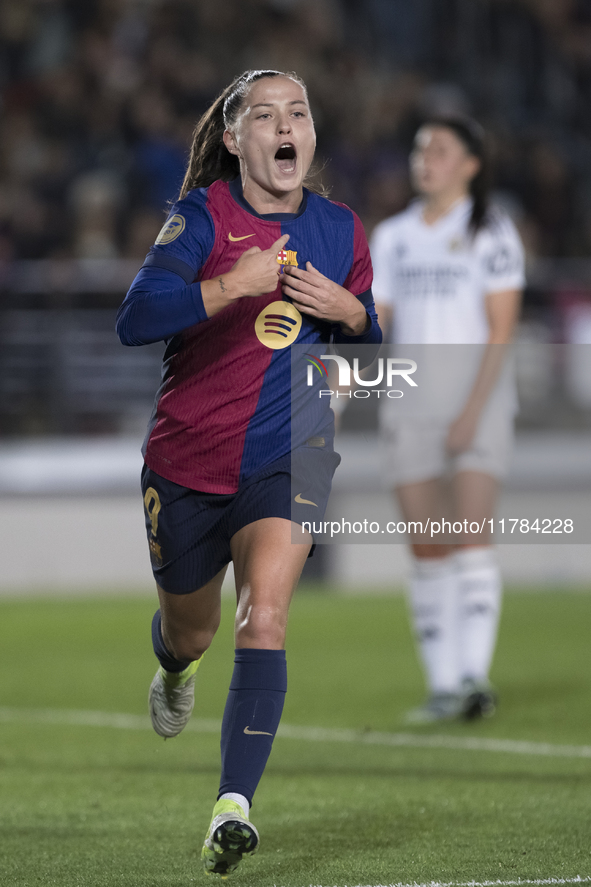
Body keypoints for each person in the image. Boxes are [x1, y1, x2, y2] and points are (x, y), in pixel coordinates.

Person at [116, 69, 381, 876]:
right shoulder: (200, 218)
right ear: (235, 141)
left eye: (296, 111)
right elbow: (135, 318)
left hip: (291, 450)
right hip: (189, 460)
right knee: (192, 630)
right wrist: (233, 283)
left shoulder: (341, 228)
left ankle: (233, 805)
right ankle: (173, 664)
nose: (283, 125)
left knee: (263, 620)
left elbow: (375, 356)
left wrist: (353, 315)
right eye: (263, 115)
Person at [370, 117, 524, 724]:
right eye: (418, 148)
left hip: (478, 404)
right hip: (410, 404)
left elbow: (502, 330)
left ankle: (472, 676)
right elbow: (375, 328)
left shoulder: (491, 232)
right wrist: (335, 392)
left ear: (470, 164)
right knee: (427, 546)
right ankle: (441, 686)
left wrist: (471, 411)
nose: (424, 159)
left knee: (470, 535)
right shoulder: (394, 236)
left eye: (439, 149)